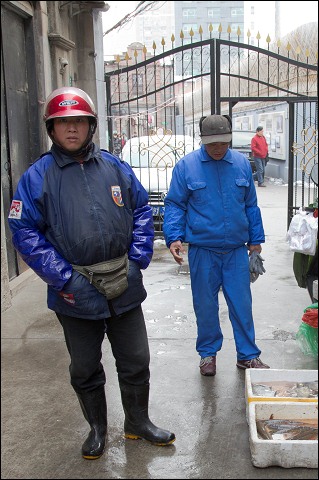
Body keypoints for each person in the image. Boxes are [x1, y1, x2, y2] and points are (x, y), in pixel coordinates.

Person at [8, 87, 175, 460]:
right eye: (63, 122)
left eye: (79, 121)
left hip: (124, 283)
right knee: (84, 367)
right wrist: (64, 278)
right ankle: (97, 429)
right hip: (75, 291)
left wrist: (137, 260)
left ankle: (138, 422)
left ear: (91, 125)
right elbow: (23, 230)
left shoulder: (115, 168)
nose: (72, 129)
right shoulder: (38, 177)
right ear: (52, 129)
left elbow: (142, 211)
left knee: (136, 360)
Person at [163, 114, 270, 377]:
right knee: (205, 305)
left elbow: (250, 205)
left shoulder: (242, 165)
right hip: (203, 250)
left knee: (241, 304)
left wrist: (256, 241)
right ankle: (207, 354)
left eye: (223, 143)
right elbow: (175, 204)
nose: (219, 149)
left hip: (235, 250)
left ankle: (248, 355)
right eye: (213, 144)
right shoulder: (186, 167)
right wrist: (174, 237)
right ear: (203, 141)